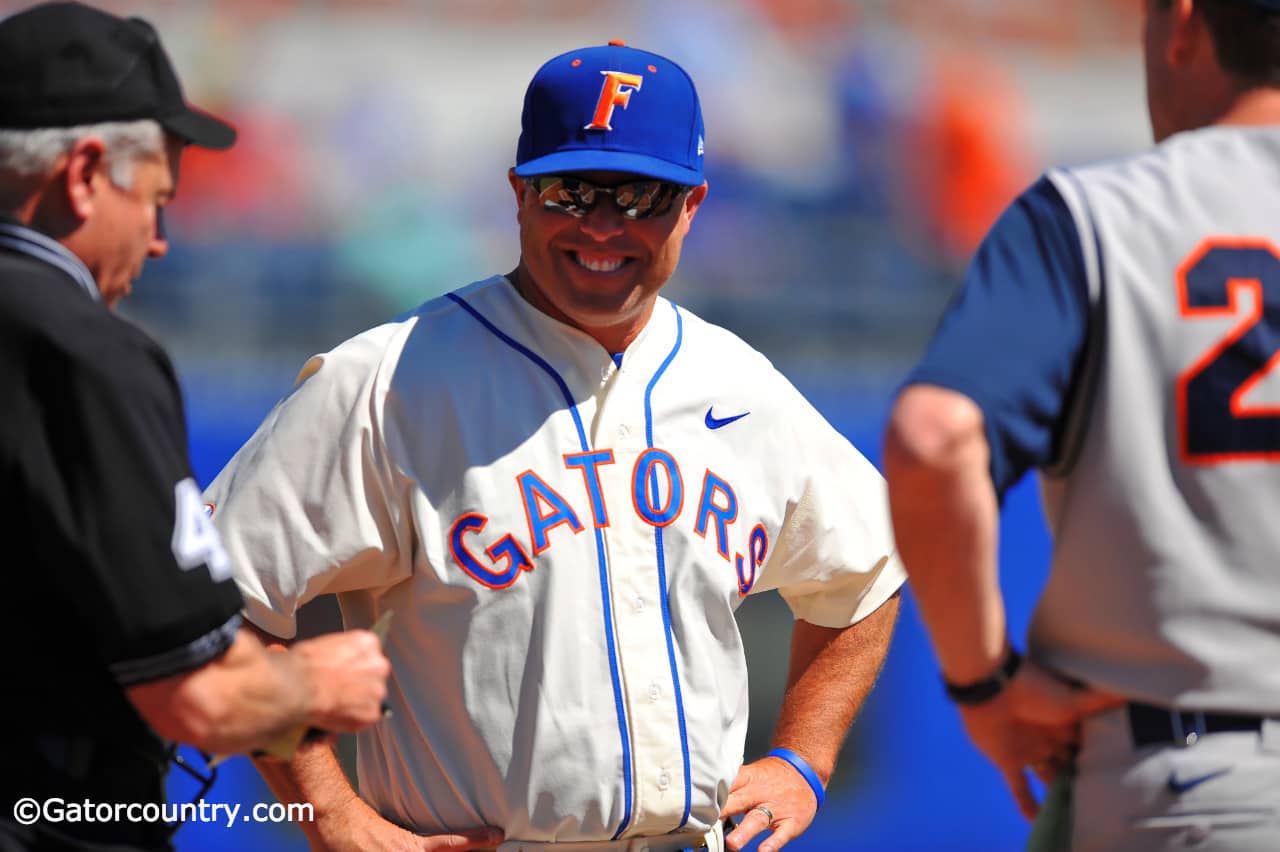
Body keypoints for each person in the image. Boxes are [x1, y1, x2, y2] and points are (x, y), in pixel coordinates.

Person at [204, 39, 905, 852]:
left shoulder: (740, 386)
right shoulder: (389, 380)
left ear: (693, 205)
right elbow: (218, 602)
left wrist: (803, 761)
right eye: (574, 190)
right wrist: (331, 814)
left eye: (641, 195)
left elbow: (869, 571)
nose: (604, 226)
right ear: (519, 194)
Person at [883, 0, 1280, 849]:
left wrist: (982, 683)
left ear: (1182, 25)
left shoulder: (1096, 214)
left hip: (1191, 782)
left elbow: (934, 440)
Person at [0, 4, 391, 850]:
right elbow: (199, 696)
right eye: (155, 200)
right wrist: (317, 683)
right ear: (83, 171)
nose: (164, 240)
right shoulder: (79, 351)